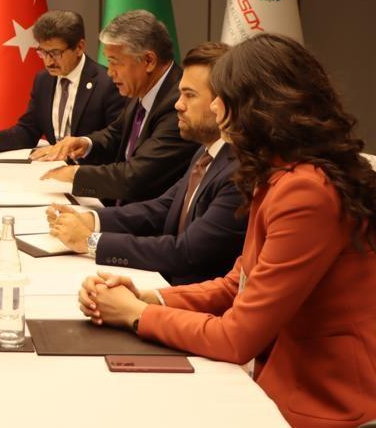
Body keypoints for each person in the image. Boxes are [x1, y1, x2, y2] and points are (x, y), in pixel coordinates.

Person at [78, 34, 376, 427]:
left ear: (261, 105)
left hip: (325, 402)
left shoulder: (305, 190)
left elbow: (237, 338)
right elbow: (238, 284)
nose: (215, 106)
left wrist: (136, 314)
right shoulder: (280, 175)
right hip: (284, 383)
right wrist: (149, 297)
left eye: (224, 96)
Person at [46, 42, 246, 285]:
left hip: (192, 297)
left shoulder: (239, 172)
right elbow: (163, 208)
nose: (178, 104)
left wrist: (90, 242)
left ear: (224, 102)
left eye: (190, 95)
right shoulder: (206, 152)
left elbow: (186, 252)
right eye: (180, 93)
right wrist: (91, 219)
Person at [34, 10, 199, 203]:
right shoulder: (141, 87)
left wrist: (74, 174)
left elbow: (135, 177)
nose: (110, 73)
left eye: (115, 63)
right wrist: (85, 143)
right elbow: (116, 134)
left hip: (148, 215)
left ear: (148, 61)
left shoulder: (178, 105)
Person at [0, 10, 125, 155]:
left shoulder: (108, 82)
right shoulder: (43, 80)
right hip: (50, 166)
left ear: (79, 47)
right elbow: (29, 130)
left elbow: (115, 139)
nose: (48, 62)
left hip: (88, 169)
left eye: (55, 53)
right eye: (43, 52)